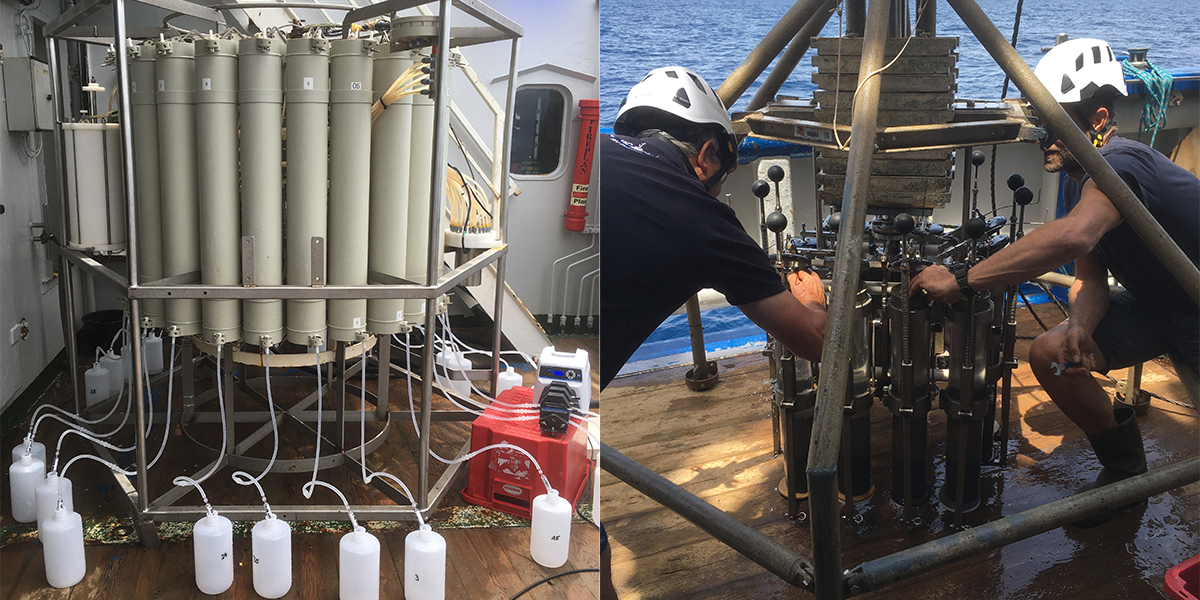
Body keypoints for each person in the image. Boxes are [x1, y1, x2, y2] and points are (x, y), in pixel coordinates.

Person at [910, 38, 1199, 524]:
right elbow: (1090, 273)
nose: (1041, 137)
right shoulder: (1076, 178)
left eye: (1052, 125)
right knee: (1050, 352)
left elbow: (1074, 236)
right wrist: (1081, 326)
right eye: (1040, 124)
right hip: (1156, 305)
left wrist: (963, 278)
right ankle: (1126, 473)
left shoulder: (1121, 163)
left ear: (1099, 121)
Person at [599, 66, 828, 599]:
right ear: (705, 155)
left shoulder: (594, 157)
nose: (720, 190)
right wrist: (812, 299)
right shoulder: (699, 217)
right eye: (723, 174)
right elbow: (811, 340)